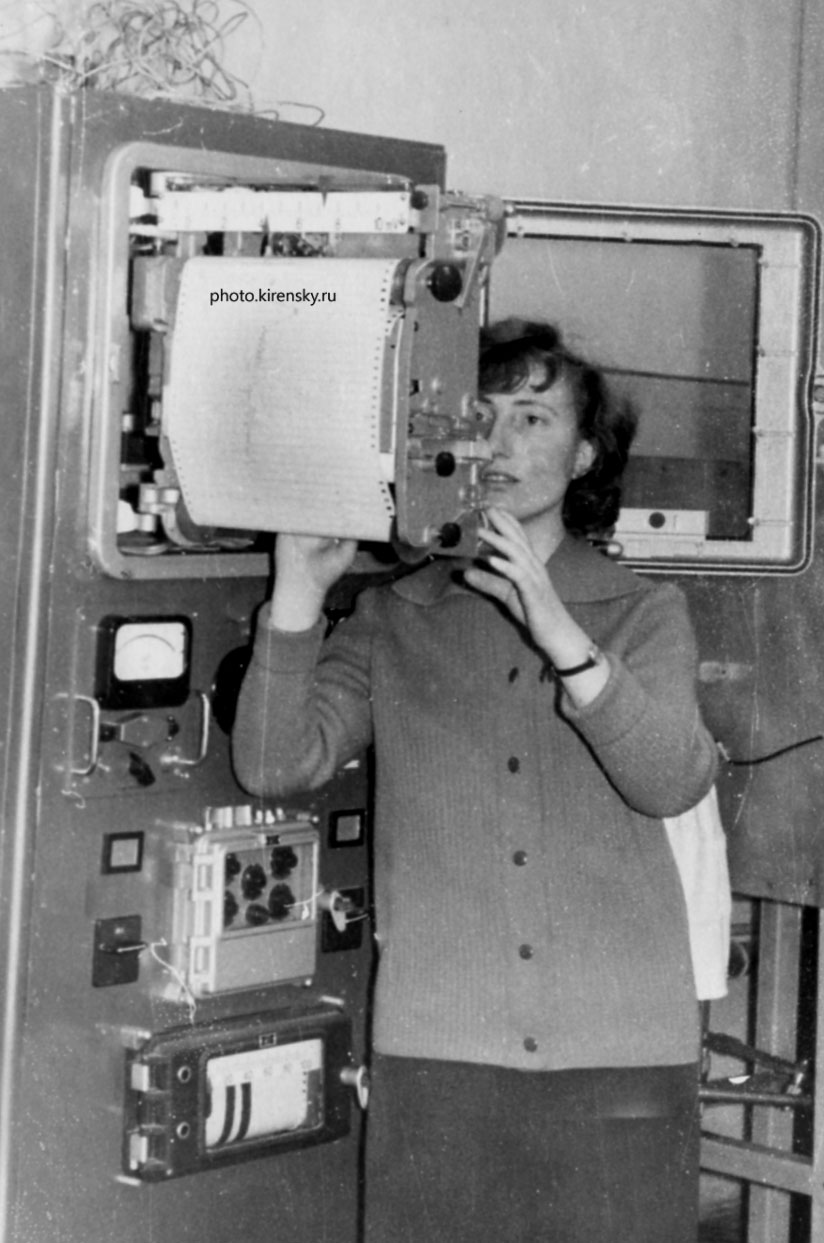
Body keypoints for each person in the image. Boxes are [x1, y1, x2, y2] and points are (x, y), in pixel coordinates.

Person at [232, 320, 719, 1242]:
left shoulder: (643, 609)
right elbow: (273, 762)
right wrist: (296, 589)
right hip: (439, 1059)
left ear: (584, 454)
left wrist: (560, 631)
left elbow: (672, 780)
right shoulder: (395, 613)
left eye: (532, 417)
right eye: (478, 415)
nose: (497, 442)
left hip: (621, 1060)